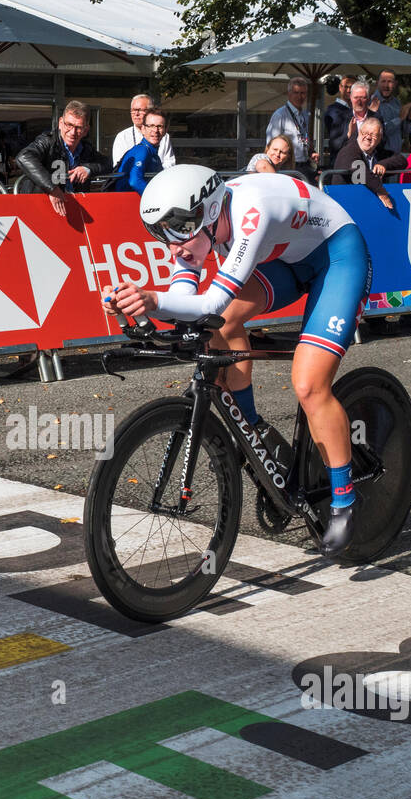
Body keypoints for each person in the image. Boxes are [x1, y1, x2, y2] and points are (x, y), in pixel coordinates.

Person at [101, 164, 372, 556]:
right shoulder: (196, 226)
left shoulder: (251, 211)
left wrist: (153, 299)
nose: (173, 246)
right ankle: (254, 428)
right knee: (220, 326)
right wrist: (138, 307)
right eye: (163, 235)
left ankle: (345, 500)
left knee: (309, 385)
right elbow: (188, 288)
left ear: (209, 212)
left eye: (179, 233)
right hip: (286, 258)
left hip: (338, 256)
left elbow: (210, 300)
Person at [16, 100, 112, 215]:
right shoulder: (48, 141)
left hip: (73, 210)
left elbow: (108, 163)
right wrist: (52, 188)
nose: (72, 132)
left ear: (86, 130)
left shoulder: (87, 149)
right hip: (38, 208)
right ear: (60, 123)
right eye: (69, 125)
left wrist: (88, 168)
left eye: (79, 127)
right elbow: (23, 157)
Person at [333, 117, 407, 209]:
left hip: (368, 205)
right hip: (345, 204)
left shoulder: (377, 153)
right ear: (359, 133)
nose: (368, 137)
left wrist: (383, 164)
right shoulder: (349, 150)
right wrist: (380, 190)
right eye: (365, 133)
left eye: (373, 135)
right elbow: (358, 169)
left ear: (380, 138)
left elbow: (402, 160)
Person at [265, 77, 318, 179]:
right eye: (296, 93)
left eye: (303, 93)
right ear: (289, 94)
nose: (300, 96)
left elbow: (304, 138)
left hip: (305, 164)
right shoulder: (280, 115)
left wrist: (312, 152)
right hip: (287, 167)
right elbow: (270, 145)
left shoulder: (305, 115)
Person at [111, 93, 176, 169]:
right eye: (133, 110)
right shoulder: (123, 137)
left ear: (150, 111)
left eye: (140, 110)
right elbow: (119, 166)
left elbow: (170, 163)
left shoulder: (163, 135)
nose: (136, 114)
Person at [111, 108, 165, 193]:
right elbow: (135, 181)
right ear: (143, 129)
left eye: (160, 126)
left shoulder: (152, 152)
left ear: (165, 130)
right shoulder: (142, 150)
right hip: (128, 203)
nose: (155, 130)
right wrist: (156, 198)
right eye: (151, 126)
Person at [323, 77, 357, 162]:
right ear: (340, 88)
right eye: (346, 87)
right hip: (338, 159)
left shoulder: (356, 110)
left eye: (352, 87)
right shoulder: (332, 110)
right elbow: (336, 142)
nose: (349, 90)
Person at [370, 70, 402, 153]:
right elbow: (379, 131)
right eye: (383, 81)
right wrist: (400, 119)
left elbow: (403, 130)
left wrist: (409, 119)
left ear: (395, 84)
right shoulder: (371, 102)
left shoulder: (397, 103)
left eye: (390, 82)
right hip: (379, 154)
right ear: (377, 83)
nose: (386, 85)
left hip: (396, 153)